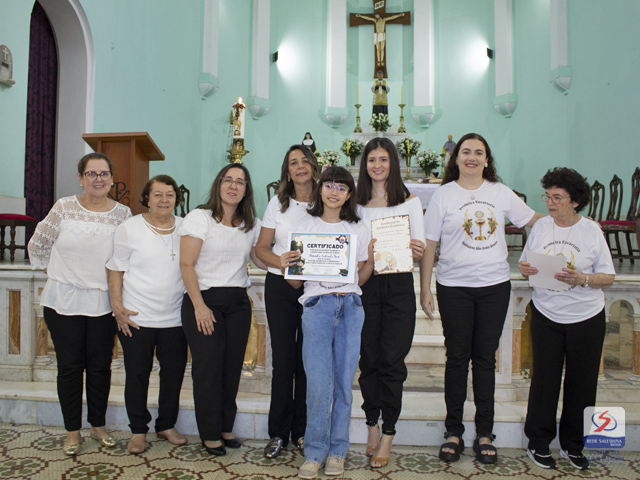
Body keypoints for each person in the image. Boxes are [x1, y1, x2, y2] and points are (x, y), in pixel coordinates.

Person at [420, 133, 544, 464]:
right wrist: (425, 288)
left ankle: (485, 433)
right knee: (457, 359)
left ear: (487, 160)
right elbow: (430, 243)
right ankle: (453, 431)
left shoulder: (500, 192)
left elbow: (533, 220)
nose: (472, 157)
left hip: (493, 287)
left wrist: (574, 223)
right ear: (456, 158)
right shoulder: (444, 194)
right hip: (453, 287)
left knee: (485, 359)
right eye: (466, 152)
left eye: (478, 152)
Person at [28, 153, 131, 455]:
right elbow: (39, 243)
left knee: (100, 367)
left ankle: (98, 425)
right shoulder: (64, 207)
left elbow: (126, 257)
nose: (98, 179)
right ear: (81, 178)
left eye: (104, 173)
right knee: (69, 367)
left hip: (103, 302)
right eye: (91, 173)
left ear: (112, 178)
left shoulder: (123, 214)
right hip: (63, 301)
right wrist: (59, 274)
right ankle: (72, 431)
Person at [518, 167, 615, 471]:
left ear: (575, 201)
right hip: (547, 313)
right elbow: (524, 263)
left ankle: (573, 445)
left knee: (582, 382)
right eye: (547, 196)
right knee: (544, 379)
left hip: (586, 316)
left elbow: (608, 276)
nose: (550, 202)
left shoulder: (591, 231)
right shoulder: (541, 227)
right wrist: (526, 269)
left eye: (557, 197)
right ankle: (538, 441)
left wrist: (582, 278)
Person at [282, 166, 374, 479]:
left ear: (349, 195)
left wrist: (371, 260)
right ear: (320, 188)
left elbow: (359, 277)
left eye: (342, 188)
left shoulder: (358, 228)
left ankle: (337, 452)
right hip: (317, 307)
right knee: (319, 385)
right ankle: (315, 452)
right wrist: (287, 265)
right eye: (329, 185)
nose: (334, 192)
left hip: (350, 306)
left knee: (344, 384)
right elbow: (295, 282)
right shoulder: (304, 225)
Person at [178, 164, 266, 456]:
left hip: (238, 303)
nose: (233, 186)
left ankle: (225, 426)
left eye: (240, 182)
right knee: (208, 369)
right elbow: (186, 264)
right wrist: (199, 306)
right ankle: (209, 432)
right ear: (219, 184)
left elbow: (258, 258)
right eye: (228, 180)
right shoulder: (200, 218)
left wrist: (289, 262)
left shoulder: (251, 223)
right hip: (204, 300)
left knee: (231, 368)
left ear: (246, 189)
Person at [355, 137, 426, 468]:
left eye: (383, 159)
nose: (377, 165)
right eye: (372, 160)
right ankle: (372, 423)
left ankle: (389, 432)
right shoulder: (356, 203)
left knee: (392, 362)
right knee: (369, 358)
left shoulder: (410, 202)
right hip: (366, 285)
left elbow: (420, 247)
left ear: (392, 163)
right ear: (365, 165)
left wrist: (416, 249)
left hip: (398, 286)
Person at [106, 175, 188, 454]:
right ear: (147, 199)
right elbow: (115, 268)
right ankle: (138, 430)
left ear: (176, 199)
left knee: (173, 375)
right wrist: (117, 308)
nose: (164, 200)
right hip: (137, 317)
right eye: (158, 195)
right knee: (137, 375)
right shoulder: (129, 228)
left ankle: (166, 425)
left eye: (170, 195)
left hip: (175, 318)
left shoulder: (186, 228)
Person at [255, 145, 319, 458]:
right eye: (293, 162)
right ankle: (279, 433)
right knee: (283, 362)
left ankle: (303, 432)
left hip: (316, 288)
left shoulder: (326, 199)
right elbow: (261, 249)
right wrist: (281, 262)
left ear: (314, 166)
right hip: (280, 287)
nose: (300, 166)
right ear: (288, 171)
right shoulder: (277, 203)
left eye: (305, 160)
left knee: (307, 361)